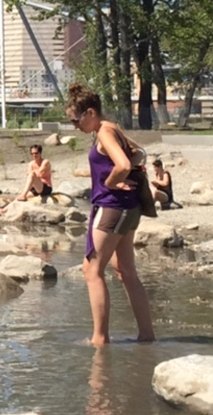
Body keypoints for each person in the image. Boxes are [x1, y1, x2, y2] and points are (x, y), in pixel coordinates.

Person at [66, 83, 154, 346]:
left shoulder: (104, 132)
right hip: (129, 207)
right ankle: (147, 336)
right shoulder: (112, 128)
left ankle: (99, 339)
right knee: (125, 270)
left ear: (90, 112)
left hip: (112, 206)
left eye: (75, 120)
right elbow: (140, 153)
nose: (74, 126)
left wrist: (112, 181)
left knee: (91, 270)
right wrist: (120, 176)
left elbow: (125, 163)